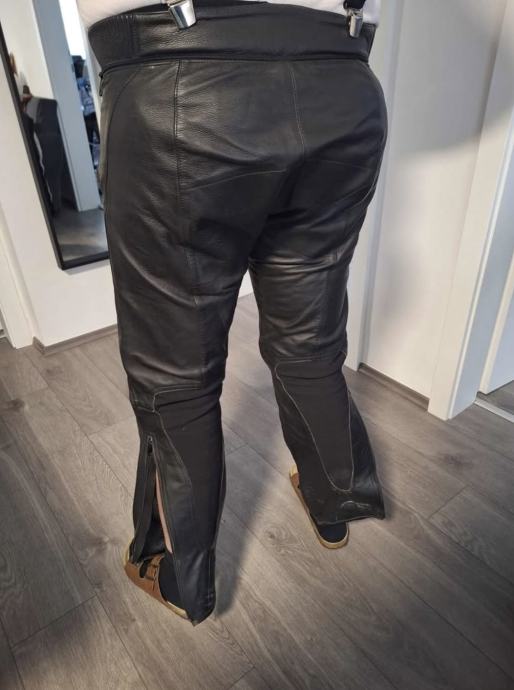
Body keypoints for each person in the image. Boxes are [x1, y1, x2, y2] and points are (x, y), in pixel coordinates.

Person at [82, 0, 387, 626]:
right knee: (310, 338)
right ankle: (335, 501)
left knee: (177, 374)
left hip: (180, 88)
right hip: (342, 88)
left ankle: (181, 577)